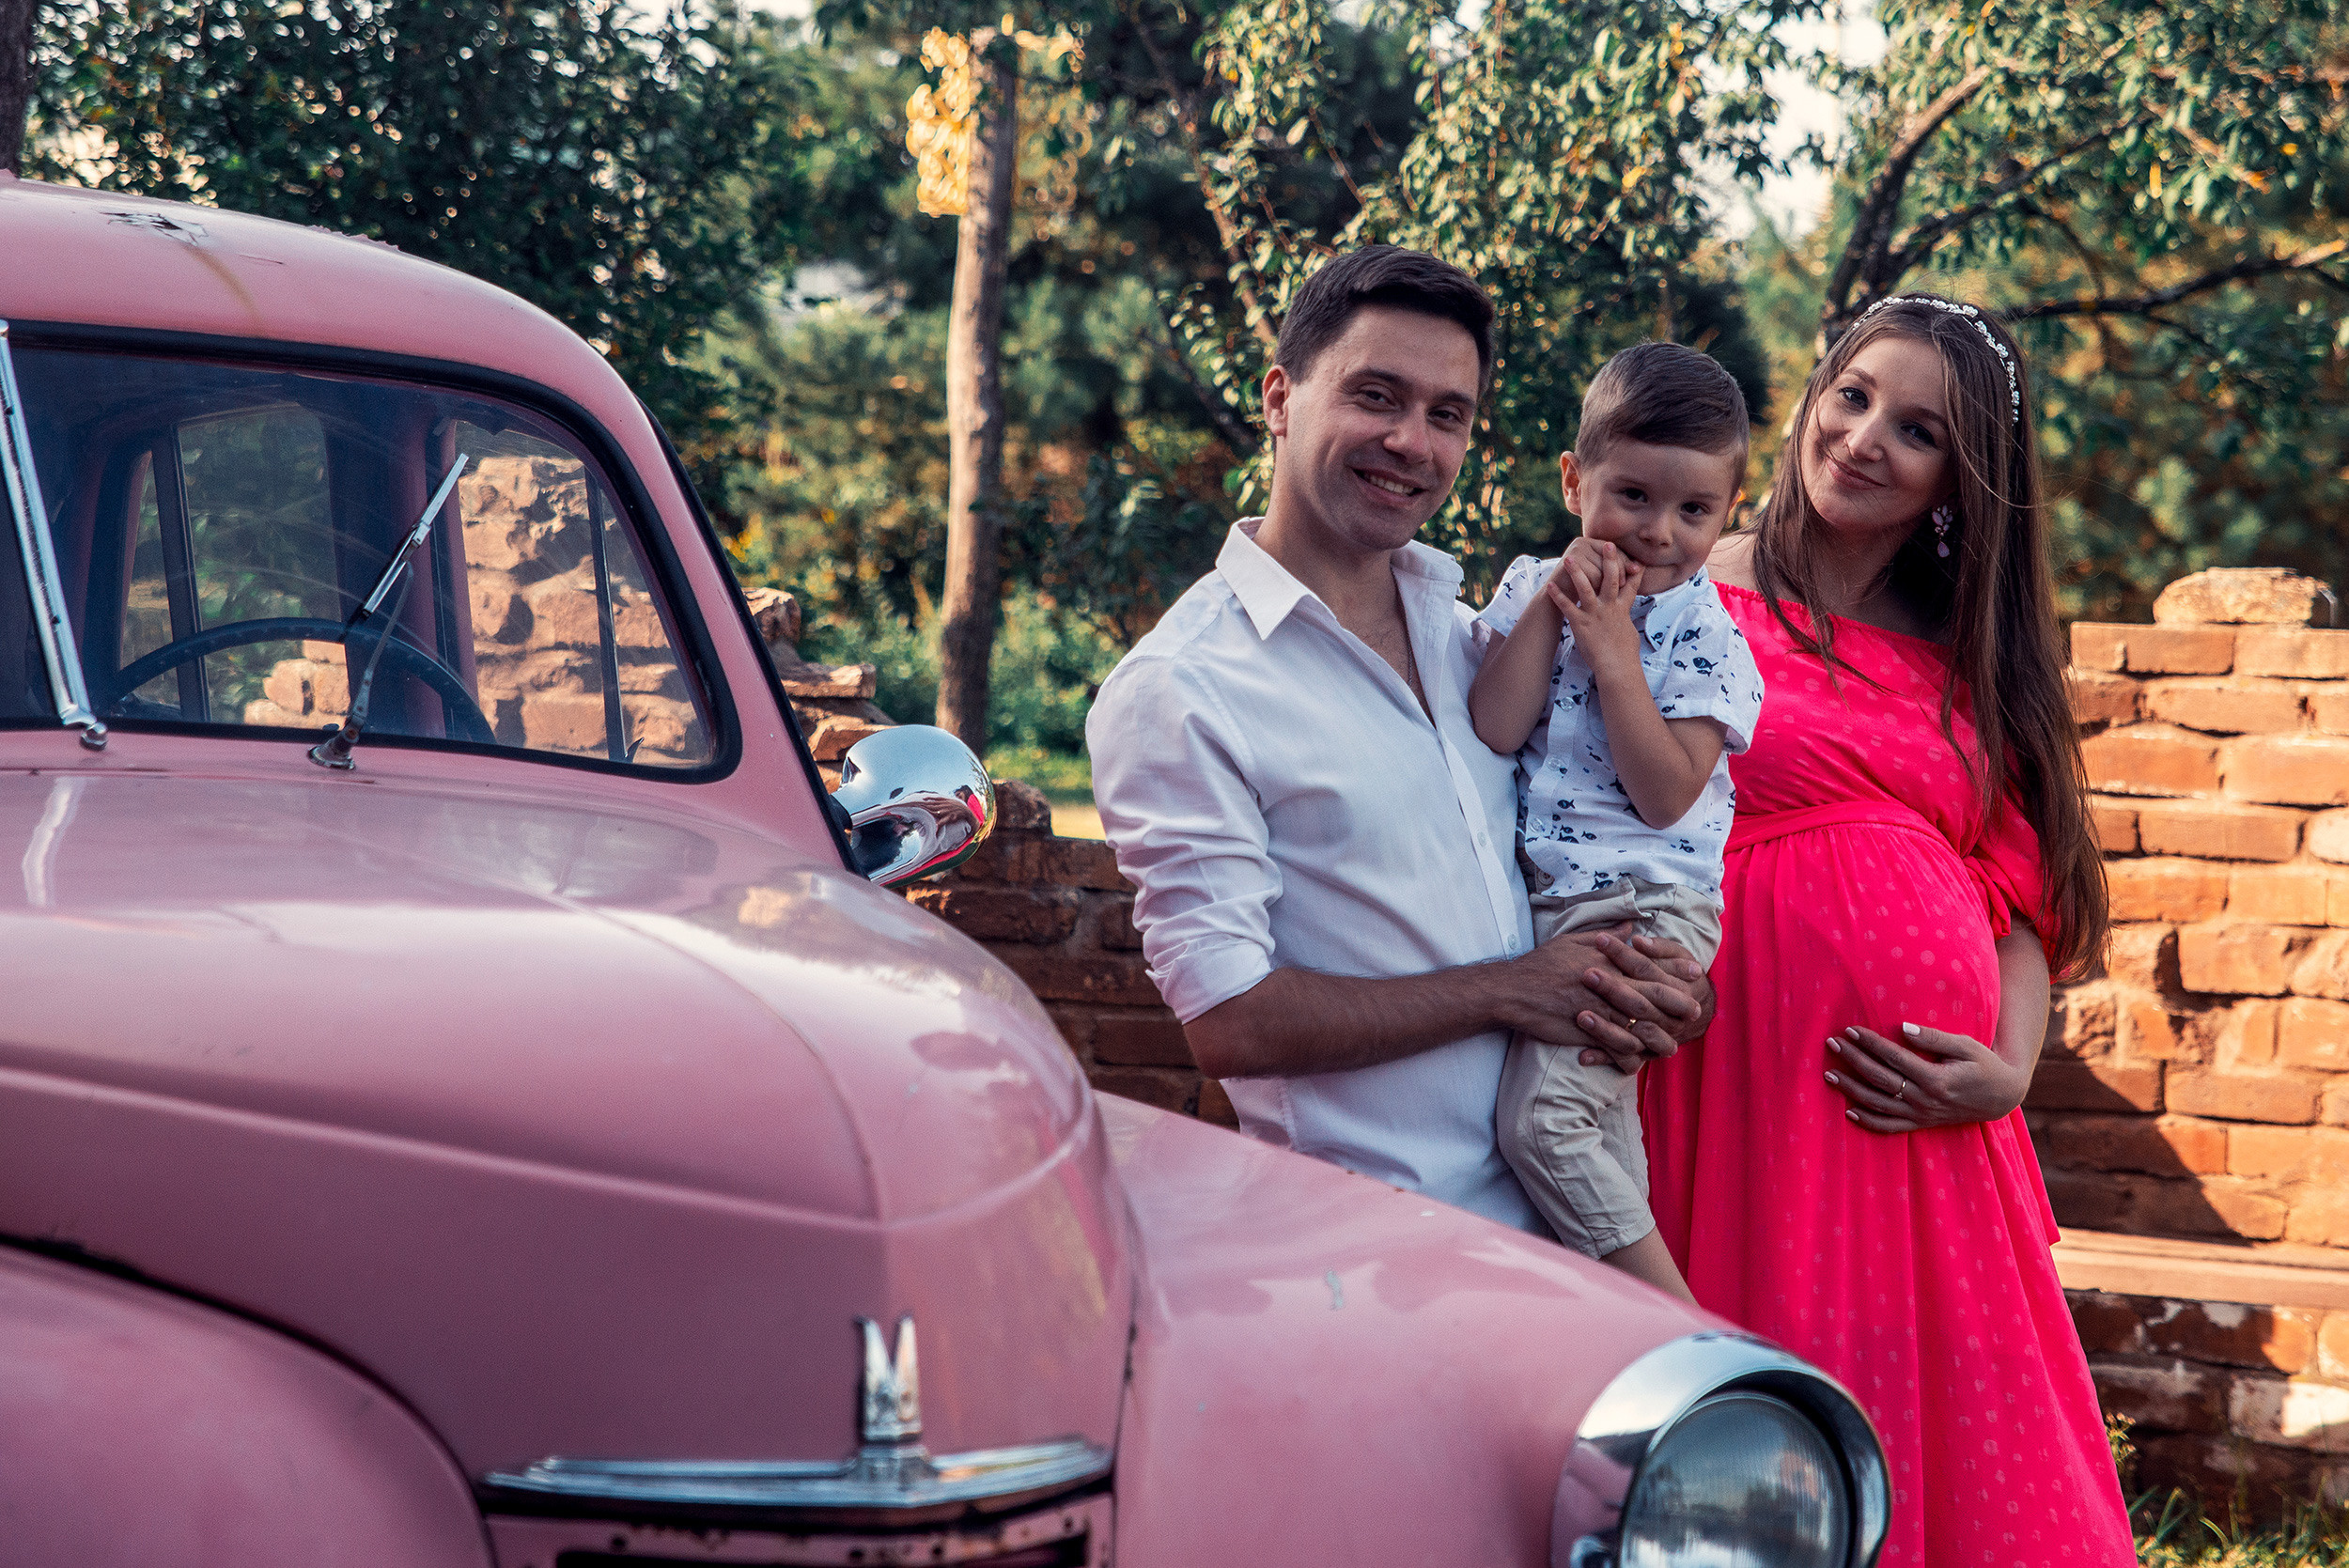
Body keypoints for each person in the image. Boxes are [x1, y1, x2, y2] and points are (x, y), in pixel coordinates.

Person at [1640, 294, 2134, 1565]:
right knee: (1742, 1436)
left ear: (1959, 483)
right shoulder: (1687, 579)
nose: (1863, 439)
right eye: (1852, 396)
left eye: (1916, 431)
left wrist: (2008, 1071)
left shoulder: (1976, 664)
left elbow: (2020, 912)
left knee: (1952, 1448)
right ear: (1813, 395)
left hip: (1919, 1128)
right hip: (1720, 1083)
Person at [1085, 244, 1712, 1232]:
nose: (1411, 441)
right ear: (1280, 398)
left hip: (1562, 1237)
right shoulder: (1182, 687)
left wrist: (1663, 989)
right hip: (1371, 1247)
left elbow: (1584, 861)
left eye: (1447, 414)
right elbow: (1231, 1019)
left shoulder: (1481, 643)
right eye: (1375, 396)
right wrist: (1511, 992)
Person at [1466, 343, 1763, 1302]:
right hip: (1552, 904)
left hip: (1645, 909)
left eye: (1693, 511)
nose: (1658, 531)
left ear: (1728, 513)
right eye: (1632, 495)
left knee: (1540, 1124)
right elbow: (1493, 724)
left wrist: (1613, 655)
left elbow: (1666, 794)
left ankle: (1679, 1328)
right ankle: (1634, 1340)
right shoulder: (1531, 588)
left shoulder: (1709, 638)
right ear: (1574, 482)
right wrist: (1558, 612)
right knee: (1595, 1126)